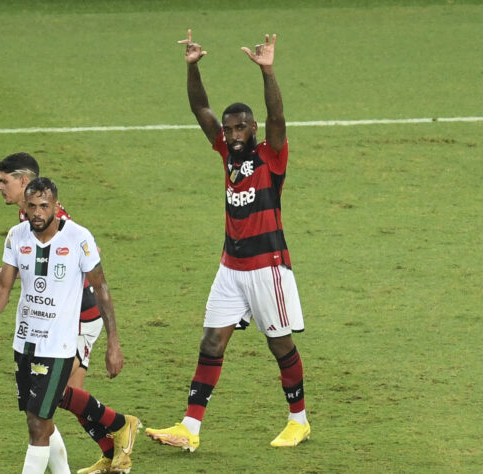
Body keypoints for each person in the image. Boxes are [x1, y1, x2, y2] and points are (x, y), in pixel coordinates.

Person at [145, 30, 310, 449]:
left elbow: (278, 119)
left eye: (241, 128)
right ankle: (190, 428)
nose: (234, 134)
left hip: (267, 268)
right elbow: (200, 107)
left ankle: (299, 420)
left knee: (279, 345)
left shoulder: (271, 156)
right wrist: (192, 66)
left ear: (252, 128)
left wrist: (268, 71)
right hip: (230, 268)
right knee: (212, 340)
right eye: (230, 128)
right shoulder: (226, 151)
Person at [0, 178, 141, 473]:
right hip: (24, 343)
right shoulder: (16, 236)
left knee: (39, 422)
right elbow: (4, 288)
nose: (37, 212)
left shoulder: (78, 238)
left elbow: (102, 289)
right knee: (38, 418)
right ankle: (113, 432)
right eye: (32, 206)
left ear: (56, 207)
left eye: (44, 206)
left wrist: (114, 342)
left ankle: (120, 424)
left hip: (59, 345)